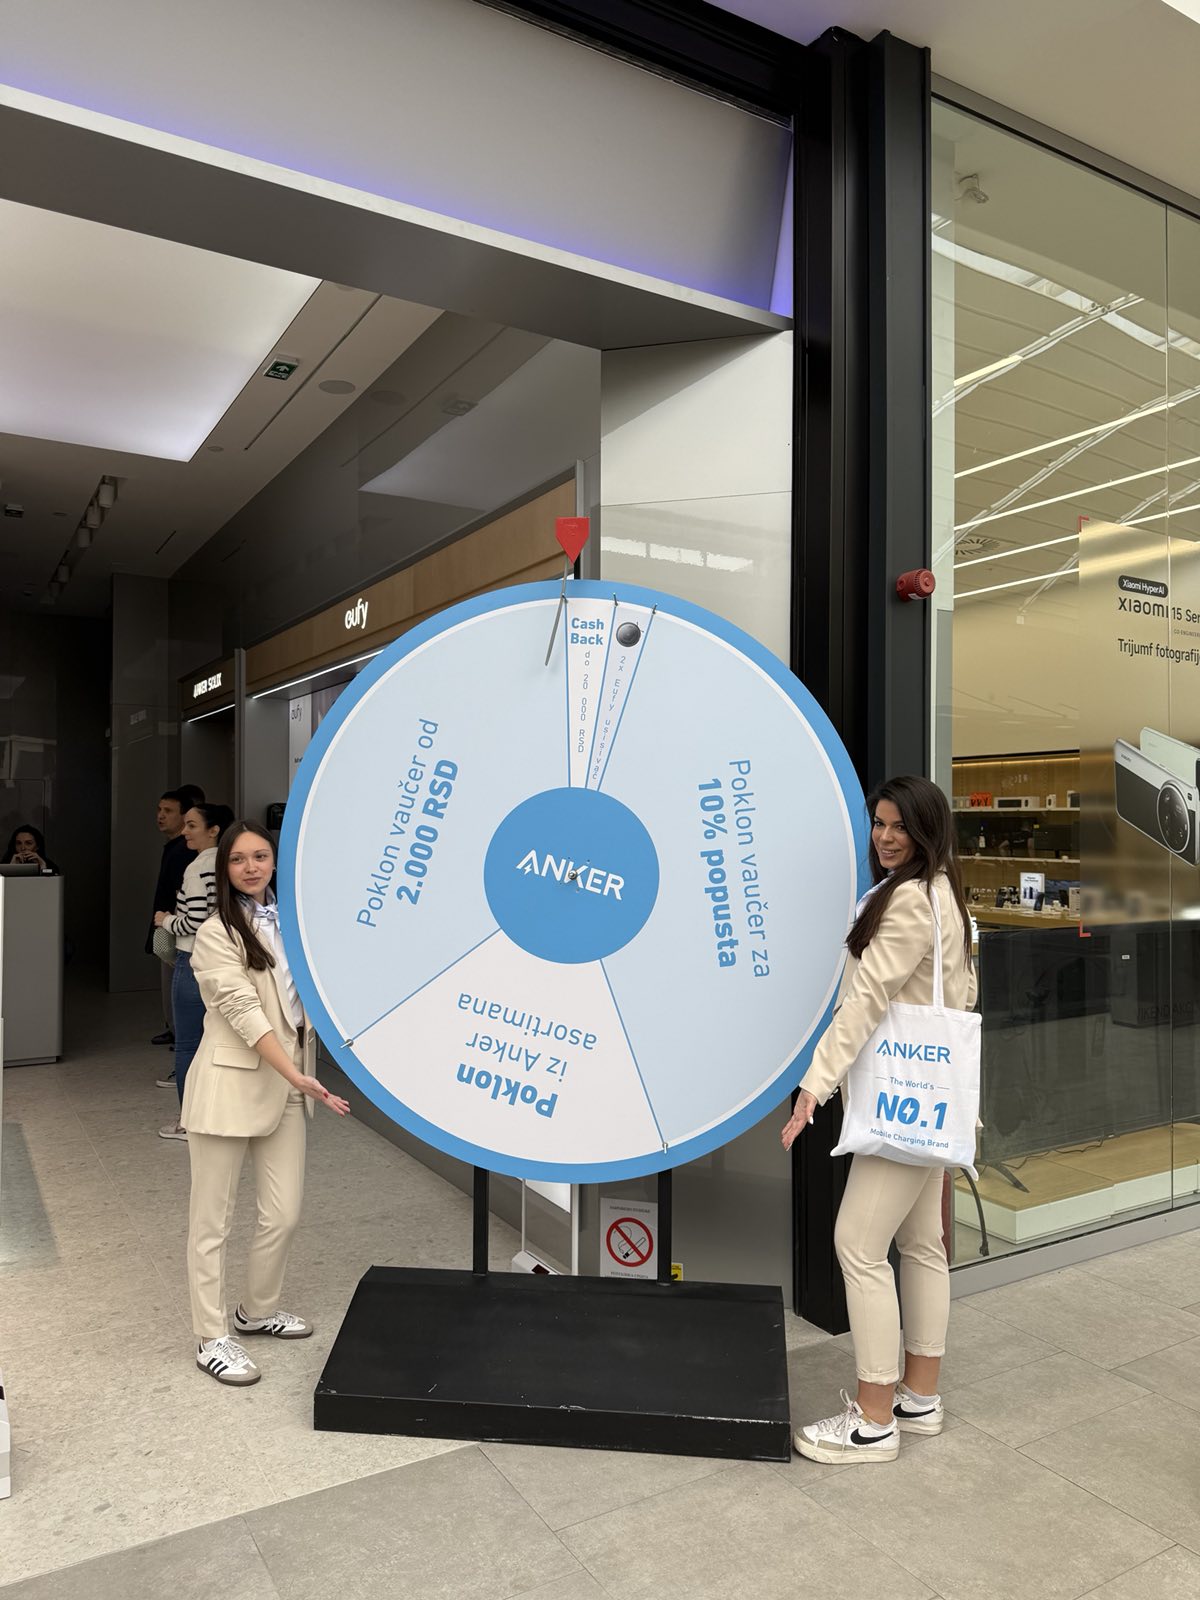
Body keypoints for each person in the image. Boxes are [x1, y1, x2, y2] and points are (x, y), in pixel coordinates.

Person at [782, 775, 977, 1466]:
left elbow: (865, 1000)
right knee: (922, 1245)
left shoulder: (908, 902)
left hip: (901, 1102)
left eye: (900, 826)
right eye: (880, 824)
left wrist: (815, 1086)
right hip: (933, 1099)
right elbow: (961, 995)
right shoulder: (945, 893)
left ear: (927, 830)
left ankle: (872, 1422)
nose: (886, 837)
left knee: (859, 1246)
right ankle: (918, 1398)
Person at [183, 820, 350, 1386]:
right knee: (212, 1221)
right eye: (238, 859)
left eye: (260, 856)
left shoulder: (295, 927)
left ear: (275, 861)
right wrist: (297, 1074)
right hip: (230, 1085)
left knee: (283, 1212)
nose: (251, 867)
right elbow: (241, 1009)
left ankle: (256, 1311)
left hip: (287, 1086)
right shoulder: (216, 933)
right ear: (223, 869)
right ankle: (211, 1336)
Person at [155, 802, 235, 1141]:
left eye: (192, 825)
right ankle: (219, 1115)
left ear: (213, 830)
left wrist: (166, 921)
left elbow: (196, 921)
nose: (185, 832)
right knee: (219, 1043)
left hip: (193, 960)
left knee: (188, 1045)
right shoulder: (229, 864)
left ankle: (189, 1121)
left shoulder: (197, 867)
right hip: (224, 960)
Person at [146, 784, 205, 1065]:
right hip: (169, 925)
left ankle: (181, 1036)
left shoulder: (186, 853)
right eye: (159, 810)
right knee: (171, 981)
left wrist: (168, 923)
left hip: (177, 929)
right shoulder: (174, 848)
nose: (161, 816)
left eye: (168, 811)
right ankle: (175, 1032)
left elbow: (189, 904)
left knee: (177, 982)